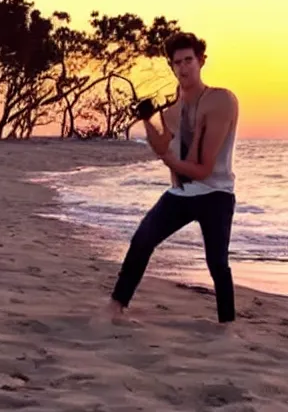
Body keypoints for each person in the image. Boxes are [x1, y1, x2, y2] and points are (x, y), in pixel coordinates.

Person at [103, 32, 240, 328]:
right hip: (181, 195)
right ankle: (116, 306)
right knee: (142, 240)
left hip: (216, 193)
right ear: (171, 66)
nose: (183, 68)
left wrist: (171, 161)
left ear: (201, 61)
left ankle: (226, 325)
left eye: (189, 60)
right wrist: (148, 120)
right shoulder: (173, 112)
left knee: (217, 262)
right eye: (177, 62)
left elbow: (202, 169)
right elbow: (164, 146)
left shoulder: (220, 101)